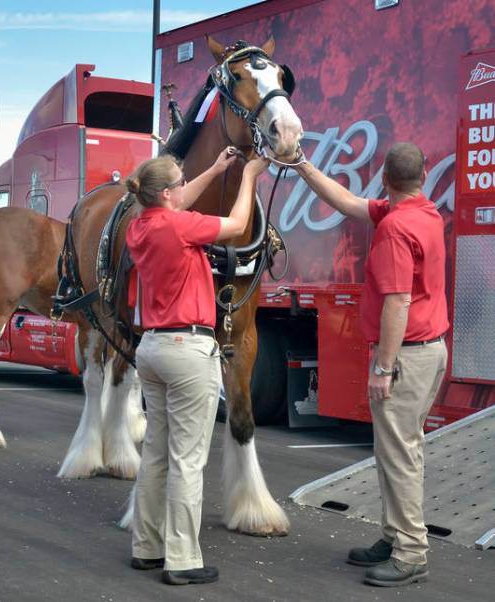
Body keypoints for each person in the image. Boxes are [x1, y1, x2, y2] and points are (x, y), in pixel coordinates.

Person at [292, 142, 447, 587]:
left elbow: (397, 303)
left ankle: (411, 553)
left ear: (384, 179)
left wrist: (383, 367)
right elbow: (348, 203)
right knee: (398, 451)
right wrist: (302, 165)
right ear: (421, 177)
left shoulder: (396, 229)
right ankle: (395, 536)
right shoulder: (423, 212)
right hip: (429, 351)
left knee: (399, 457)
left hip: (408, 355)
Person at [125, 148, 264, 587]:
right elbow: (239, 227)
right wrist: (249, 178)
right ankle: (182, 557)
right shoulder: (179, 226)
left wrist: (216, 169)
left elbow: (177, 201)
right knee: (188, 460)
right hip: (188, 349)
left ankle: (147, 547)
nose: (186, 188)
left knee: (156, 454)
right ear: (166, 193)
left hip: (152, 347)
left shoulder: (140, 225)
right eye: (181, 183)